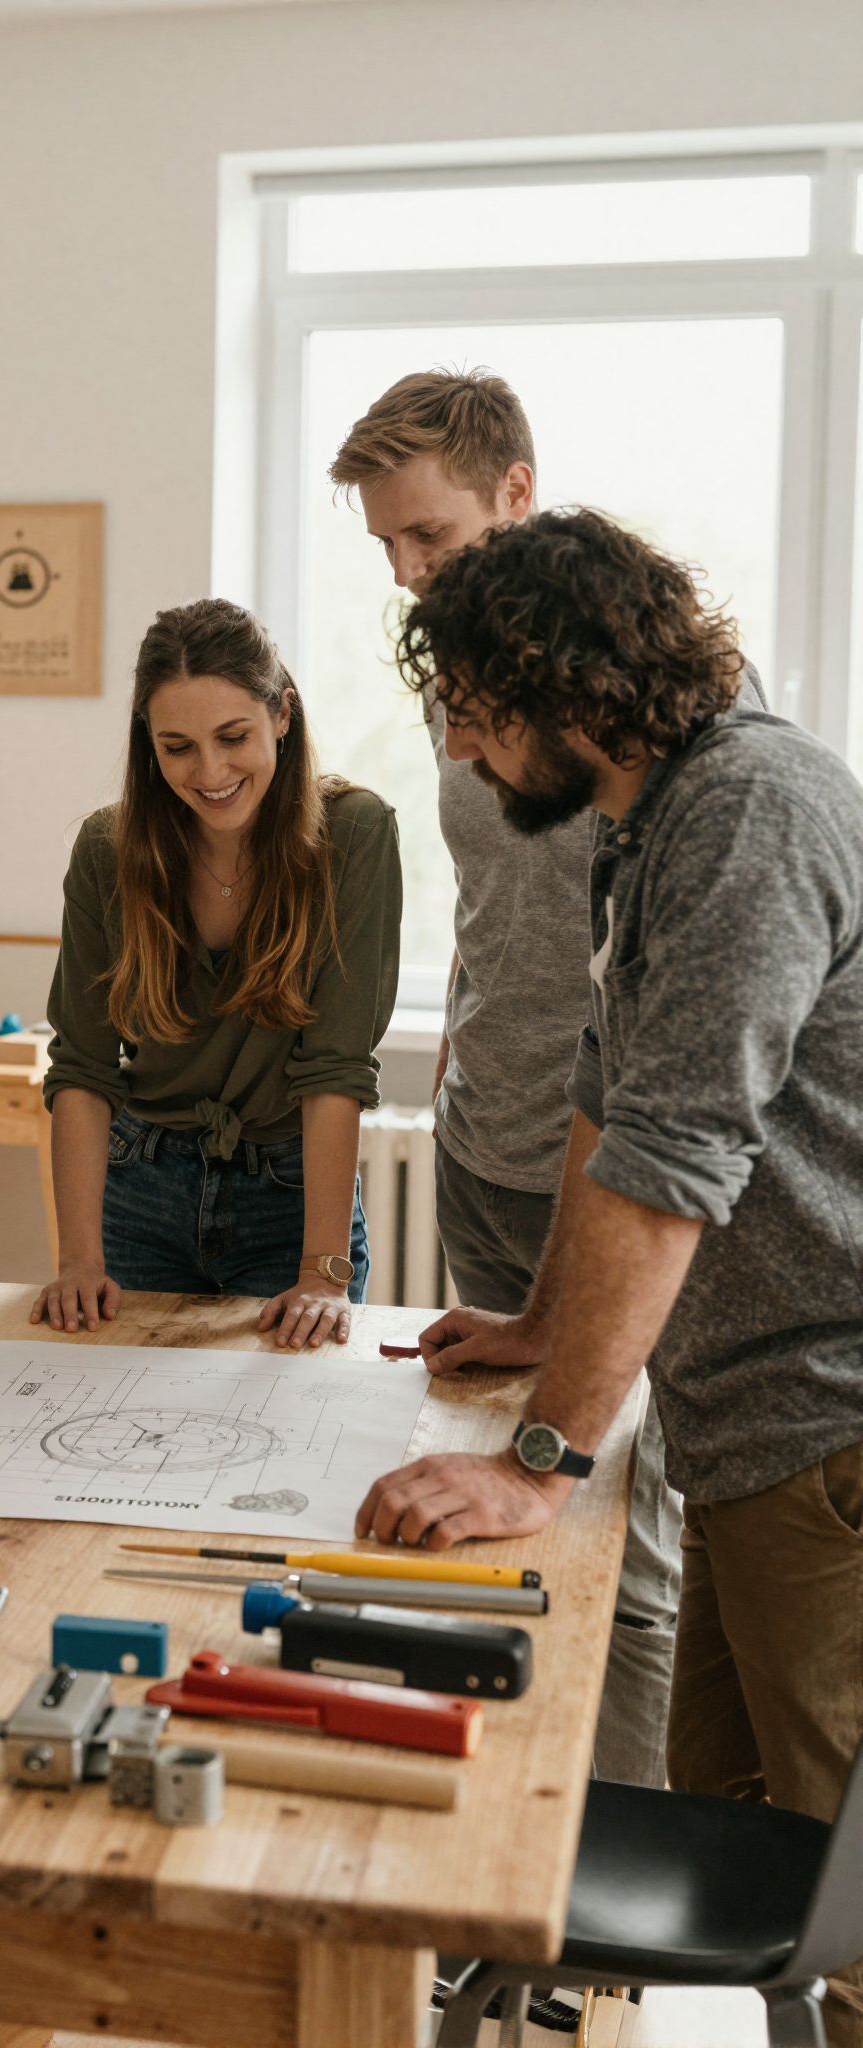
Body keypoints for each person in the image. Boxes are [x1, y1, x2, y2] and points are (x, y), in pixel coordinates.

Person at [356, 508, 863, 2047]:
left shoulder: (750, 814)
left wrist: (543, 1460)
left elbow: (679, 1148)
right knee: (741, 1840)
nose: (460, 748)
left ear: (552, 690)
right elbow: (600, 1091)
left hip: (825, 1419)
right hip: (742, 1421)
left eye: (469, 711)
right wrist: (542, 1325)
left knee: (843, 1895)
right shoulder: (646, 823)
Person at [332, 368, 683, 1789]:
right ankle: (504, 1824)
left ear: (516, 496)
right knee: (489, 1522)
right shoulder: (452, 680)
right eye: (389, 550)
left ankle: (610, 1877)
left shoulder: (647, 702)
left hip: (627, 1176)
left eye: (428, 536)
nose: (411, 575)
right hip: (491, 1147)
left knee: (617, 1533)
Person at [33, 596, 400, 1350]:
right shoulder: (108, 850)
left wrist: (323, 1273)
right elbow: (82, 1067)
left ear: (283, 717)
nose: (210, 772)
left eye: (234, 737)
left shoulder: (355, 834)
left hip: (294, 1199)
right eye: (177, 747)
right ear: (149, 746)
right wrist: (77, 1260)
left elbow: (336, 1069)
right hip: (139, 1190)